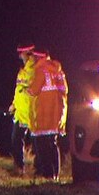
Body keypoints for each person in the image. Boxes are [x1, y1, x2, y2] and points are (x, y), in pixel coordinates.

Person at [27, 47, 68, 180]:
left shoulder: (40, 70)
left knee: (42, 145)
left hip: (44, 113)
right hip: (57, 113)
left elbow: (33, 90)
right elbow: (64, 90)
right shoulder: (58, 70)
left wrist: (26, 89)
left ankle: (47, 174)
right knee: (53, 143)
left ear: (39, 57)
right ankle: (56, 174)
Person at [8, 42, 36, 175]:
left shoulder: (34, 70)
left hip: (30, 112)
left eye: (21, 53)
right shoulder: (23, 70)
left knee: (36, 142)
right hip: (20, 112)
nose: (19, 56)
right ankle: (20, 168)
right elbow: (19, 90)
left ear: (27, 53)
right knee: (16, 140)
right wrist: (14, 104)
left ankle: (33, 169)